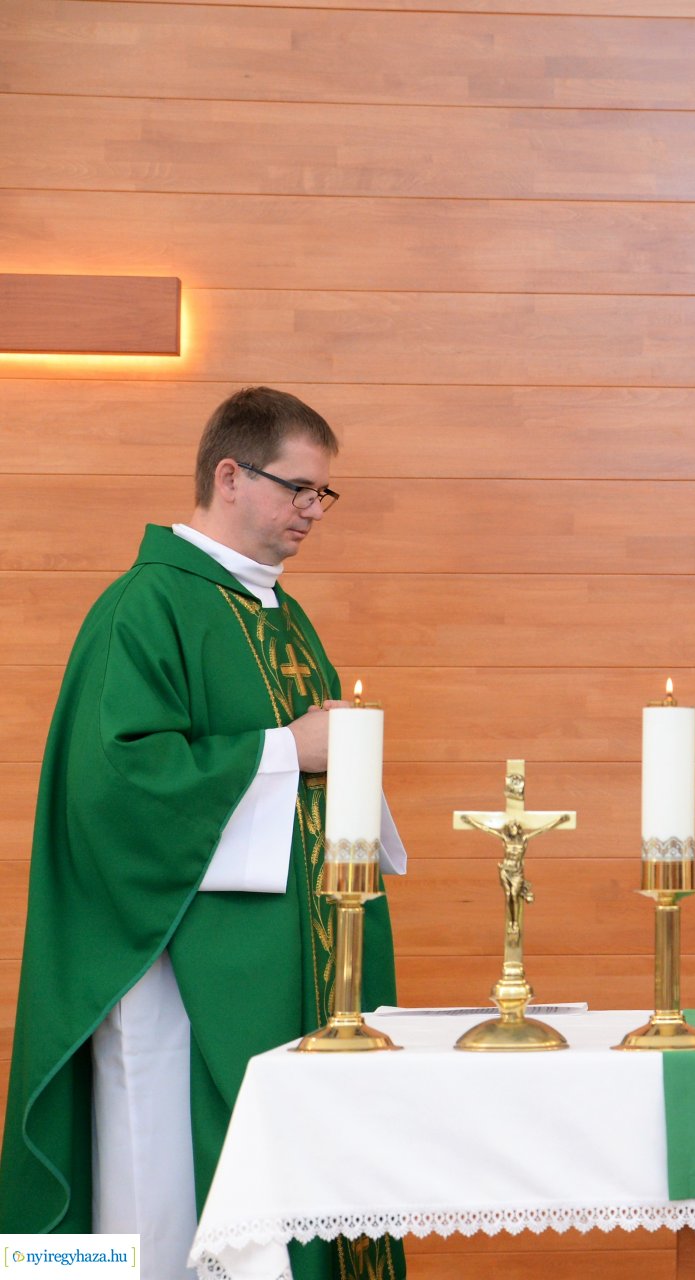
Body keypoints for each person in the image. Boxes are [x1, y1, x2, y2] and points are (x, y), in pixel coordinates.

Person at [0, 388, 405, 1280]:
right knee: (164, 1194)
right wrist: (290, 749)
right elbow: (117, 787)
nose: (313, 511)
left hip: (278, 962)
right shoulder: (145, 606)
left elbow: (310, 772)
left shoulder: (279, 615)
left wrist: (336, 757)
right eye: (299, 489)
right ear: (230, 474)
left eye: (323, 496)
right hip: (176, 970)